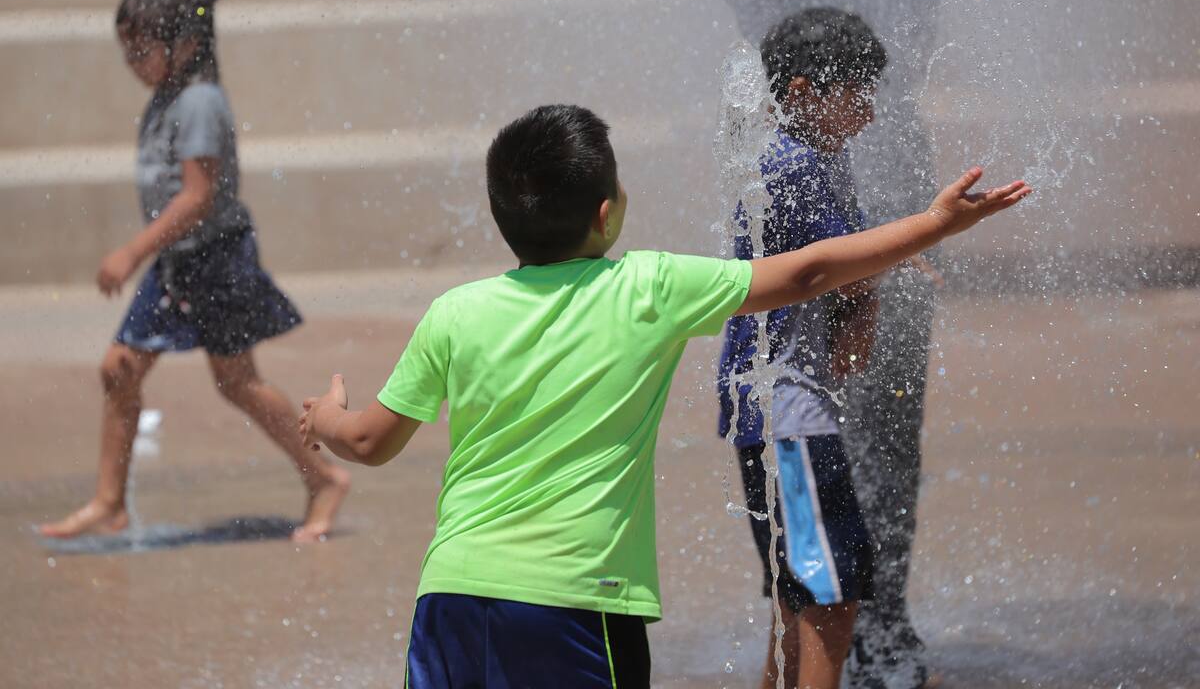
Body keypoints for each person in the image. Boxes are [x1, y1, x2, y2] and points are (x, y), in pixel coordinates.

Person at [296, 102, 1029, 688]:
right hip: (578, 602)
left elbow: (367, 441)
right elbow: (807, 274)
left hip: (451, 600)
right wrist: (933, 225)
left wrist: (325, 414)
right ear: (607, 214)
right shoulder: (646, 287)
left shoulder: (455, 312)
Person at [39, 0, 349, 543]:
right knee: (119, 368)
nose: (133, 62)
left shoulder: (200, 101)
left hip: (215, 256)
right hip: (178, 260)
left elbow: (199, 196)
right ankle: (110, 501)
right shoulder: (169, 96)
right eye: (125, 51)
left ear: (184, 43)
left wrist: (131, 252)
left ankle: (324, 476)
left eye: (141, 49)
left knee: (238, 382)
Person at [719, 0, 945, 685]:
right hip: (835, 245)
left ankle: (881, 626)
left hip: (891, 199)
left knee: (884, 434)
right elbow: (752, 7)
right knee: (806, 480)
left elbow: (911, 27)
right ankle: (826, 635)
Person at [717, 7, 887, 689]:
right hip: (788, 411)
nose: (870, 114)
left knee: (801, 583)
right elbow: (844, 267)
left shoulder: (811, 155)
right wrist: (874, 291)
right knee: (830, 589)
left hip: (779, 403)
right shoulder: (796, 165)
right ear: (800, 92)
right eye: (857, 94)